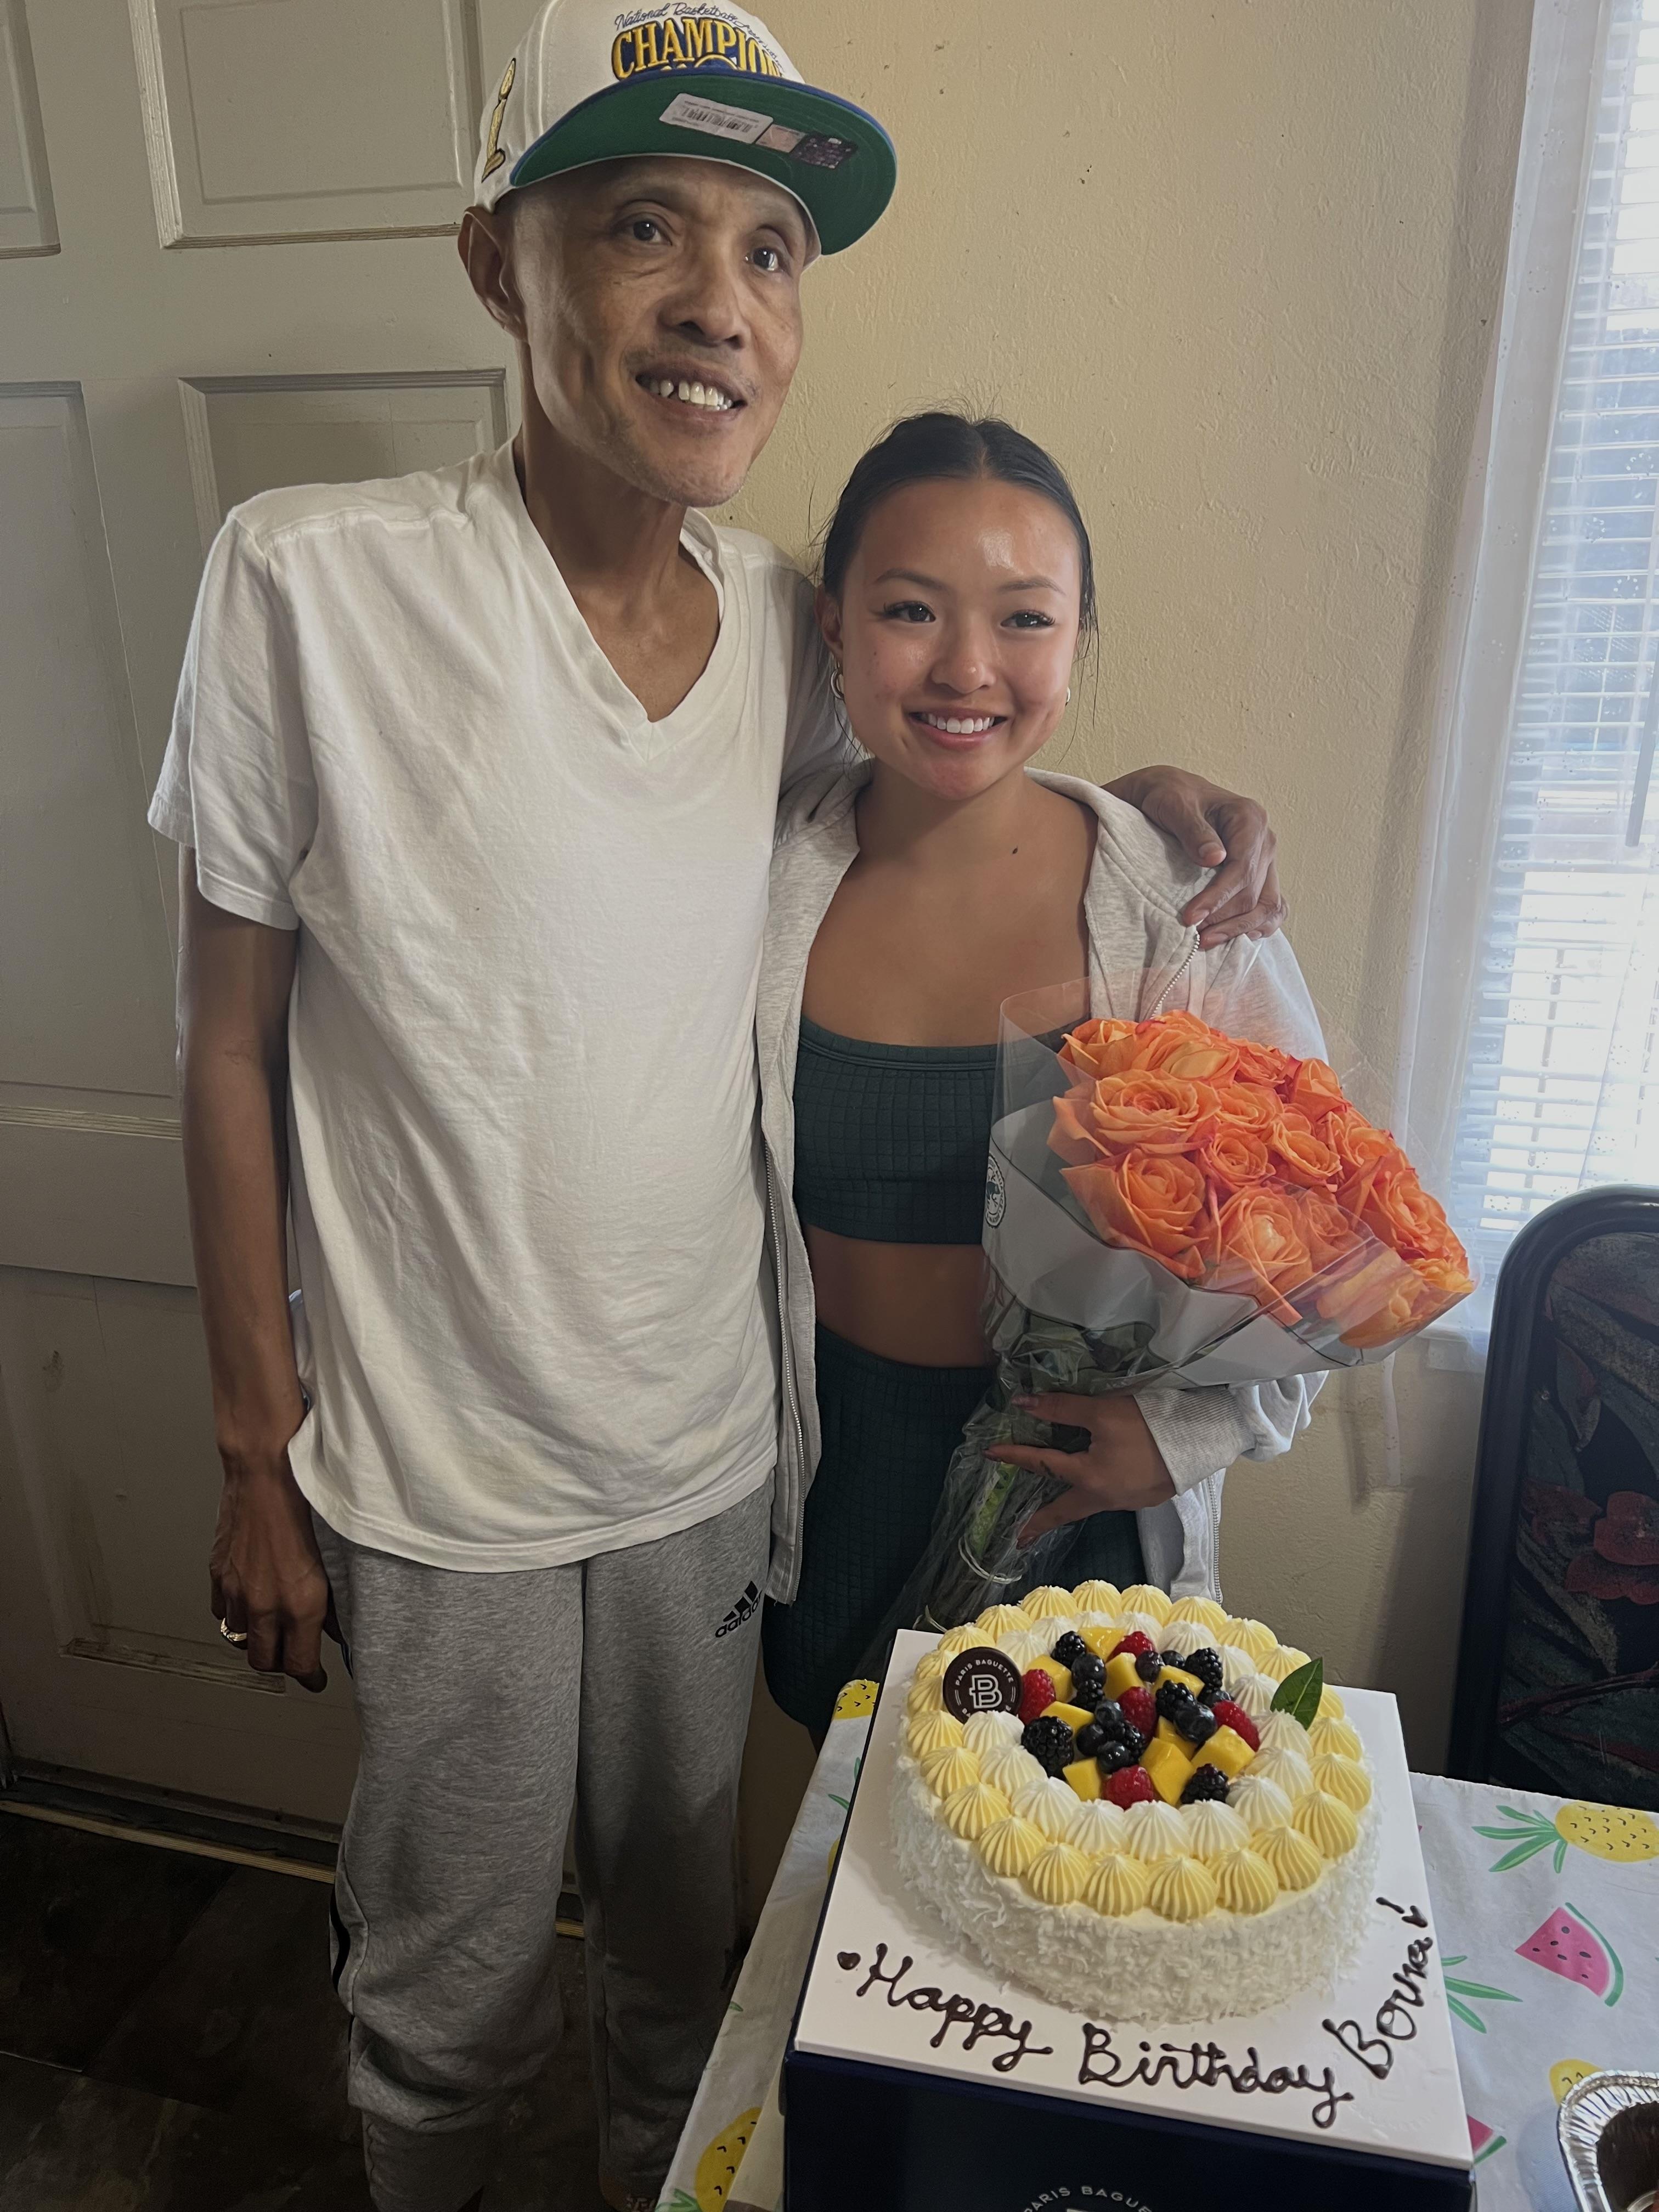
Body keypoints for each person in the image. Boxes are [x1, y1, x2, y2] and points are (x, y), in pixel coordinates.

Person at [149, 5, 1288, 2208]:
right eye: (644, 225)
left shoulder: (788, 622)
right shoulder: (310, 585)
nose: (719, 301)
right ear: (502, 264)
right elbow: (220, 1043)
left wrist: (1136, 803)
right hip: (436, 1474)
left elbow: (950, 763)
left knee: (694, 1974)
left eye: (771, 249)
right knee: (451, 1992)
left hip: (706, 1468)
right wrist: (247, 1451)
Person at [758, 413, 1327, 1738]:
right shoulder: (759, 879)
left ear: (1077, 638)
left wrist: (1181, 1442)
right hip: (833, 1472)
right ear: (833, 624)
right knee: (857, 1857)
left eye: (1025, 619)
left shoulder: (1178, 901)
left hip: (1085, 1497)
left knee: (1076, 1852)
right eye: (911, 609)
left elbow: (1322, 1246)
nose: (968, 667)